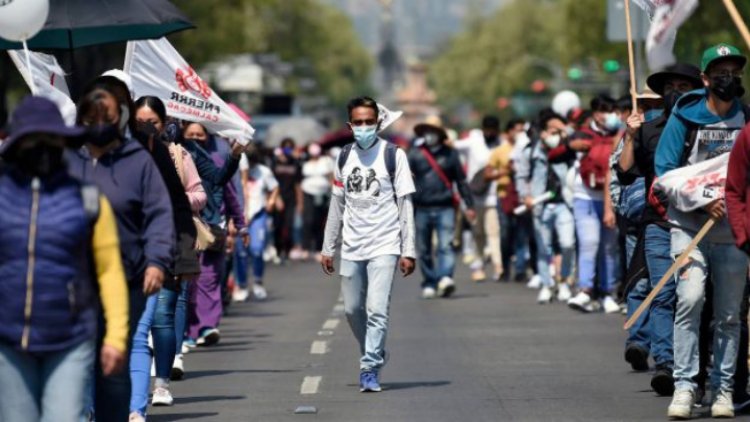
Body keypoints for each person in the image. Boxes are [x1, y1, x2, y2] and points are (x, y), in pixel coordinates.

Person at [0, 96, 129, 422]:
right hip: (7, 339)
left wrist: (115, 337)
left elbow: (110, 270)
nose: (42, 147)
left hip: (70, 338)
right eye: (34, 139)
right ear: (17, 144)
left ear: (63, 142)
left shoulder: (87, 199)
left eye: (50, 139)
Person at [68, 80, 175, 422]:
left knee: (113, 363)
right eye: (91, 117)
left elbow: (159, 213)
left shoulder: (138, 161)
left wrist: (157, 261)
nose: (98, 123)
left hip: (128, 280)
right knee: (77, 360)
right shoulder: (65, 160)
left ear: (120, 118)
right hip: (73, 282)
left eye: (106, 116)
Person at [655, 43, 748, 419]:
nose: (728, 79)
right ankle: (684, 388)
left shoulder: (746, 120)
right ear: (706, 79)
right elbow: (664, 173)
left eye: (734, 72)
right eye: (720, 72)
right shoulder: (685, 118)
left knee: (728, 314)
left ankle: (723, 390)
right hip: (688, 228)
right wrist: (700, 199)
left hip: (732, 232)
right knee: (690, 300)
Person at [617, 63, 703, 395]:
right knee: (663, 294)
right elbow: (625, 173)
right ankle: (667, 364)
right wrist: (630, 136)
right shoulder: (650, 130)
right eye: (669, 86)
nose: (675, 92)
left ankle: (698, 365)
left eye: (684, 85)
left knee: (695, 298)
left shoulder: (708, 126)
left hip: (703, 224)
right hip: (659, 225)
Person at [320, 96, 416, 392]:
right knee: (351, 309)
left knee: (376, 309)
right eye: (358, 122)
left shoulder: (393, 155)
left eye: (368, 122)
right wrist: (328, 246)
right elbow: (336, 205)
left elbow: (405, 204)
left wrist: (408, 249)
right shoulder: (343, 157)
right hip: (352, 245)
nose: (363, 127)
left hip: (385, 244)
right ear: (350, 125)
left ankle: (370, 367)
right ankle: (372, 350)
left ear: (378, 122)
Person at [128, 96, 207, 416]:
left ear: (165, 124)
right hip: (129, 252)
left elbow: (198, 194)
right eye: (139, 123)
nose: (146, 129)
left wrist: (175, 200)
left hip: (169, 246)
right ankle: (126, 399)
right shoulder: (116, 157)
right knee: (131, 327)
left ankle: (160, 382)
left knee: (162, 318)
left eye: (153, 123)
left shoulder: (175, 154)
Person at [180, 122, 246, 347]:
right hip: (183, 230)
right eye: (191, 135)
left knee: (209, 279)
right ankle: (187, 331)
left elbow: (226, 188)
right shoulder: (174, 156)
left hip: (211, 229)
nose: (196, 138)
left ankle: (207, 326)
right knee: (188, 283)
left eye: (200, 134)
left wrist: (239, 224)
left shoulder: (213, 160)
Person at [408, 116, 475, 299]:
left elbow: (461, 181)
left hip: (445, 206)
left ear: (439, 134)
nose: (430, 135)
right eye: (427, 131)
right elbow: (404, 181)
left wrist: (469, 204)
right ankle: (429, 281)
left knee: (446, 245)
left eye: (433, 131)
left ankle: (445, 277)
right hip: (421, 207)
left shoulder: (450, 154)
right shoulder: (414, 154)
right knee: (424, 248)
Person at [566, 94, 621, 314]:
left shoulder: (621, 134)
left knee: (608, 248)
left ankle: (608, 292)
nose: (606, 115)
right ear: (595, 113)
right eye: (602, 110)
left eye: (610, 110)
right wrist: (576, 144)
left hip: (610, 197)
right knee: (589, 242)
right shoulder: (584, 133)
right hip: (585, 197)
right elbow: (570, 144)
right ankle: (586, 290)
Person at [516, 111, 577, 304]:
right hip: (540, 205)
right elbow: (521, 176)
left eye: (561, 130)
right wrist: (525, 196)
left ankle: (565, 282)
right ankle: (546, 283)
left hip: (564, 204)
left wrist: (566, 137)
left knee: (568, 244)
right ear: (542, 132)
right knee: (544, 247)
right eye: (553, 130)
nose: (557, 134)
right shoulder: (531, 152)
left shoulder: (568, 151)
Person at [454, 116, 503, 282]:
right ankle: (479, 264)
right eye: (487, 130)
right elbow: (453, 146)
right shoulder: (473, 142)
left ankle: (498, 266)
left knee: (493, 232)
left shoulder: (501, 143)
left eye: (493, 130)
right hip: (475, 196)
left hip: (494, 197)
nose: (490, 133)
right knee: (478, 233)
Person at [236, 143, 280, 302]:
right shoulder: (236, 170)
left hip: (258, 215)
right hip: (240, 216)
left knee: (256, 250)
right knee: (240, 253)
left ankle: (258, 282)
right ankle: (241, 285)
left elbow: (274, 187)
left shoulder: (264, 171)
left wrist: (271, 201)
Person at [487, 118, 526, 283]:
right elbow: (487, 174)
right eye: (517, 130)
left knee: (521, 233)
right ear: (509, 131)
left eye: (522, 130)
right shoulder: (500, 151)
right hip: (504, 196)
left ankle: (520, 269)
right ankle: (505, 267)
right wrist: (504, 172)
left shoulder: (525, 148)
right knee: (505, 233)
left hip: (522, 195)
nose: (519, 133)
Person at [301, 143, 334, 261]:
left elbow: (332, 177)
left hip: (322, 194)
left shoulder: (326, 161)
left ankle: (318, 249)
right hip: (308, 193)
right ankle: (305, 248)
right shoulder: (305, 163)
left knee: (320, 222)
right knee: (308, 221)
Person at [272, 138, 304, 262]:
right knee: (277, 226)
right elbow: (272, 183)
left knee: (289, 225)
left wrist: (300, 203)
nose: (288, 149)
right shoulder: (275, 162)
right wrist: (277, 198)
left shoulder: (295, 163)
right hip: (278, 198)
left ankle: (287, 251)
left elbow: (298, 185)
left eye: (290, 147)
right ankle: (278, 250)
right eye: (286, 147)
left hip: (291, 199)